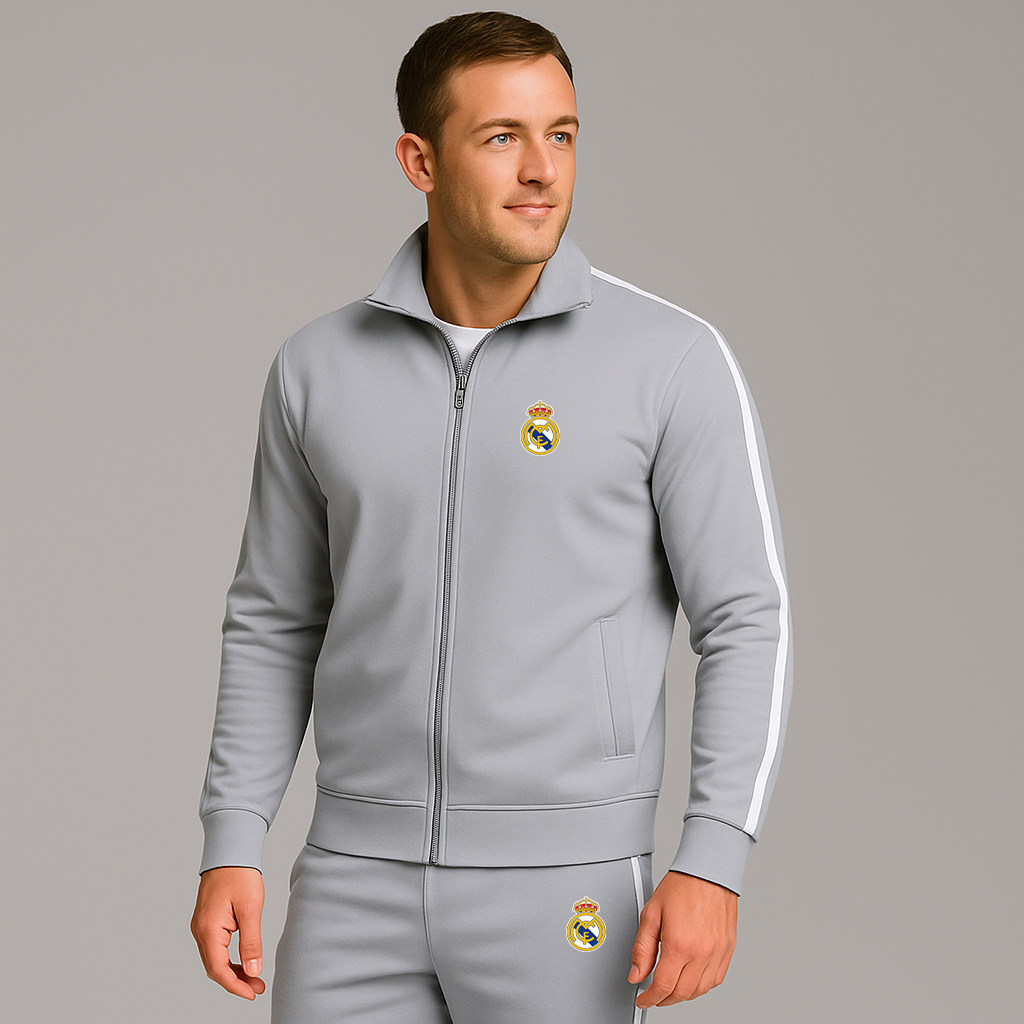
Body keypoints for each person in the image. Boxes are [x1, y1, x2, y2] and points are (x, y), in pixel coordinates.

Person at [190, 11, 792, 1022]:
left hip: (569, 882)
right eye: (502, 137)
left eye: (561, 134)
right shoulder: (316, 368)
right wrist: (232, 838)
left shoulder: (671, 361)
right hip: (351, 877)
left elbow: (746, 617)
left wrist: (713, 855)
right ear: (419, 161)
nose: (542, 170)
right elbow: (273, 619)